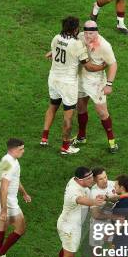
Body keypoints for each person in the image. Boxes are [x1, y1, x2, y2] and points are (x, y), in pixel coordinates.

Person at [40, 16, 107, 154]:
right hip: (68, 84)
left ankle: (44, 138)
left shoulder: (56, 38)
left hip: (53, 79)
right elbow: (88, 66)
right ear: (76, 29)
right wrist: (103, 66)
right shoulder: (77, 44)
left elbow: (53, 53)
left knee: (52, 106)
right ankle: (65, 147)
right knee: (68, 115)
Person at [52, 167, 106, 257]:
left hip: (67, 224)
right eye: (88, 178)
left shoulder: (75, 181)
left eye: (92, 176)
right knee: (69, 255)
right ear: (79, 180)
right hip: (70, 228)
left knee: (66, 248)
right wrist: (94, 202)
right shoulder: (73, 191)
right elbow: (81, 200)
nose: (91, 180)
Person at [73, 20, 119, 153]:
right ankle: (82, 136)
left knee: (102, 112)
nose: (88, 36)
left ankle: (112, 142)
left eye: (91, 34)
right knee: (80, 107)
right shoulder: (80, 36)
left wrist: (109, 84)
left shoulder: (104, 46)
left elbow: (113, 64)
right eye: (86, 33)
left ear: (97, 32)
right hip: (81, 78)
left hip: (96, 82)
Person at [0, 138, 31, 257]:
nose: (23, 151)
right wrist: (4, 209)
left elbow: (15, 180)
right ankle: (0, 254)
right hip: (8, 200)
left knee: (2, 227)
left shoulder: (9, 160)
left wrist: (24, 193)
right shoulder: (10, 164)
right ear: (13, 149)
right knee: (21, 228)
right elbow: (4, 187)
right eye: (21, 149)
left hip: (3, 197)